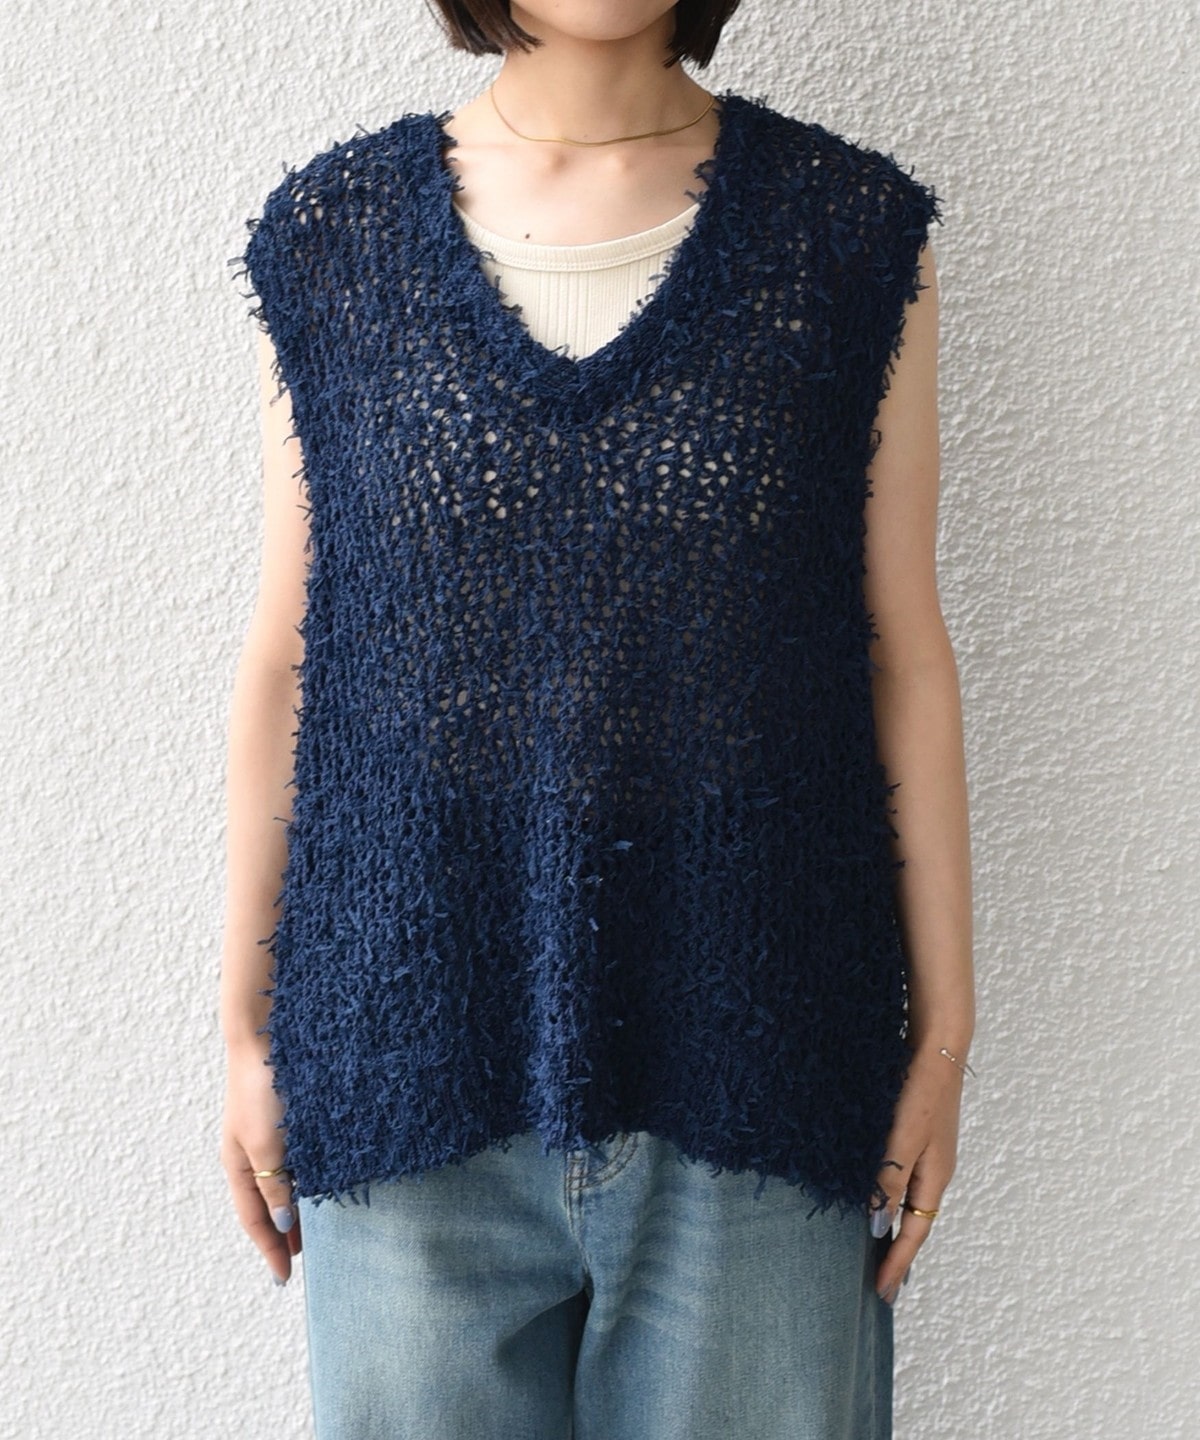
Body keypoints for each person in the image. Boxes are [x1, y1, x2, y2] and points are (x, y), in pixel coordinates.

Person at [219, 2, 975, 1435]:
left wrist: (944, 1041)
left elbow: (902, 653)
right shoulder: (335, 237)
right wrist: (244, 1034)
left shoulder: (847, 235)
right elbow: (288, 656)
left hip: (761, 1061)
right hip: (404, 1064)